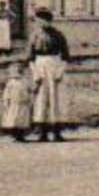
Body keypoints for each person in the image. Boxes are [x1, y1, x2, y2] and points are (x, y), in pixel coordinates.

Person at [27, 8, 69, 142]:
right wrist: (35, 73)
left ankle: (57, 131)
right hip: (40, 65)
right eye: (38, 21)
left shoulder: (58, 35)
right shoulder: (34, 36)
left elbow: (65, 56)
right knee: (41, 99)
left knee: (56, 98)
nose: (41, 23)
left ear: (50, 21)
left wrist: (60, 71)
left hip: (54, 64)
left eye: (44, 20)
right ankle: (42, 132)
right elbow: (30, 57)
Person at [0, 60, 32, 141]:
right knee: (13, 119)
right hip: (14, 103)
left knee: (22, 120)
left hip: (23, 103)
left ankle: (21, 134)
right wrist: (6, 101)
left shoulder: (25, 81)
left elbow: (30, 89)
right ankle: (15, 134)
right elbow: (6, 93)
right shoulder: (10, 82)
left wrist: (30, 98)